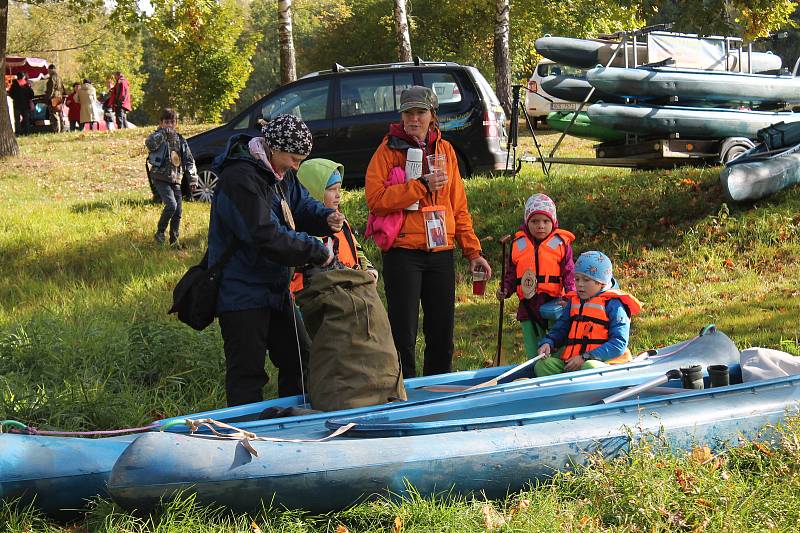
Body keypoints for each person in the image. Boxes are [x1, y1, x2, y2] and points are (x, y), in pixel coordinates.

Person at [208, 113, 344, 406]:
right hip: (241, 293)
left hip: (274, 289)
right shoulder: (239, 179)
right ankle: (243, 437)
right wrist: (316, 250)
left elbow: (301, 204)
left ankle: (294, 424)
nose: (297, 165)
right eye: (294, 158)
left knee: (299, 358)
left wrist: (325, 217)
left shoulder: (281, 173)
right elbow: (265, 234)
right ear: (273, 148)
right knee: (248, 373)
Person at [365, 85, 492, 378]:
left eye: (420, 112)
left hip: (440, 251)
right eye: (408, 112)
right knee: (403, 332)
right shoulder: (388, 150)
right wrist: (420, 186)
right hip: (403, 252)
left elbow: (458, 207)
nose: (414, 119)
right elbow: (375, 200)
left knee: (441, 330)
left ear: (432, 115)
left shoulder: (445, 150)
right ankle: (402, 391)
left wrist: (473, 252)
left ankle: (438, 391)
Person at [535, 251, 642, 377]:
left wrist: (585, 357)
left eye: (586, 280)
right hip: (574, 363)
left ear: (601, 282)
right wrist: (548, 342)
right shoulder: (574, 302)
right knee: (543, 365)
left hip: (607, 364)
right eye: (577, 279)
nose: (580, 284)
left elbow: (619, 344)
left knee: (588, 367)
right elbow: (560, 329)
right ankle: (560, 391)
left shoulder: (614, 304)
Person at [497, 193, 575, 357]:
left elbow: (569, 272)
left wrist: (570, 296)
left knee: (558, 345)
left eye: (546, 221)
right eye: (535, 221)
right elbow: (511, 273)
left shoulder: (561, 243)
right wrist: (505, 289)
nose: (541, 226)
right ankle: (535, 371)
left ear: (553, 222)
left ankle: (556, 370)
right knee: (533, 350)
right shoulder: (518, 244)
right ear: (527, 222)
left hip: (554, 304)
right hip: (527, 305)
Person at [291, 158, 378, 293]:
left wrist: (368, 269)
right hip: (319, 295)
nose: (338, 195)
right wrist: (355, 276)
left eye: (339, 188)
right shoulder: (301, 228)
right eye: (332, 189)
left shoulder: (338, 218)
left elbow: (356, 248)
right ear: (312, 190)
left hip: (350, 286)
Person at [145, 108, 198, 248]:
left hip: (176, 179)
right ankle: (160, 232)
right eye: (166, 122)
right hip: (160, 177)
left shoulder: (180, 139)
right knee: (171, 205)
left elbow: (189, 160)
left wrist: (192, 179)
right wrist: (163, 134)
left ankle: (174, 241)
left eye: (171, 122)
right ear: (161, 123)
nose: (169, 125)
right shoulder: (157, 136)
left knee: (178, 211)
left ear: (176, 123)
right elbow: (149, 144)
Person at [45, 64, 66, 133]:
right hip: (59, 96)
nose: (48, 72)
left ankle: (56, 130)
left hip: (54, 97)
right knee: (60, 114)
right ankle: (62, 129)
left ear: (50, 70)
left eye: (48, 70)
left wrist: (48, 98)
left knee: (54, 114)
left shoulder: (52, 78)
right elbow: (63, 88)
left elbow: (51, 89)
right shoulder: (59, 77)